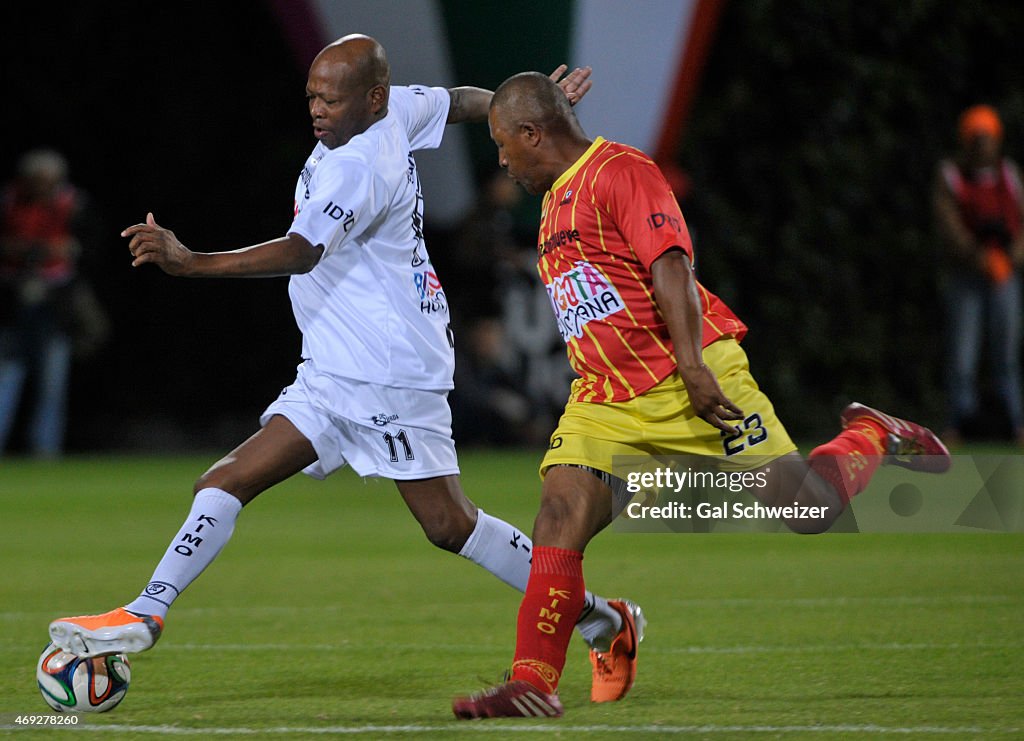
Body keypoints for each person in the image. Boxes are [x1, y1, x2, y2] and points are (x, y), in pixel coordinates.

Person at [47, 36, 644, 704]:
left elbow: (302, 252)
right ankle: (145, 611)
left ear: (372, 98)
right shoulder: (398, 110)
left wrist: (191, 263)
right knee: (226, 479)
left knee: (451, 525)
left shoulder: (359, 165)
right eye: (311, 95)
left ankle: (603, 617)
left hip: (388, 368)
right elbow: (457, 103)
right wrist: (523, 103)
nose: (317, 109)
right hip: (335, 364)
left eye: (331, 97)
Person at [452, 71, 951, 719]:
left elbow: (671, 265)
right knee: (558, 513)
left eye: (503, 143)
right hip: (604, 396)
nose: (500, 159)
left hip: (686, 376)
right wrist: (541, 106)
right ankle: (534, 681)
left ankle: (870, 431)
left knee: (807, 509)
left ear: (531, 134)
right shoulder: (553, 195)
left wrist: (690, 363)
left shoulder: (621, 171)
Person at [0, 149, 106, 457]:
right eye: (37, 181)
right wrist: (19, 250)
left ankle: (45, 452)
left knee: (52, 383)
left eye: (49, 181)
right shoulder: (8, 202)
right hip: (11, 302)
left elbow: (91, 249)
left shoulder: (75, 204)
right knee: (6, 378)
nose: (43, 187)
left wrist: (65, 250)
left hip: (56, 303)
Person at [933, 104, 1024, 446]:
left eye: (987, 139)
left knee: (1007, 352)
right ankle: (960, 423)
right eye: (976, 139)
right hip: (966, 273)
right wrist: (977, 255)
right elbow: (948, 224)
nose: (982, 146)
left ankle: (1016, 423)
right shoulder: (951, 175)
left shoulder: (1010, 174)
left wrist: (1011, 255)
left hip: (1005, 274)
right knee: (962, 354)